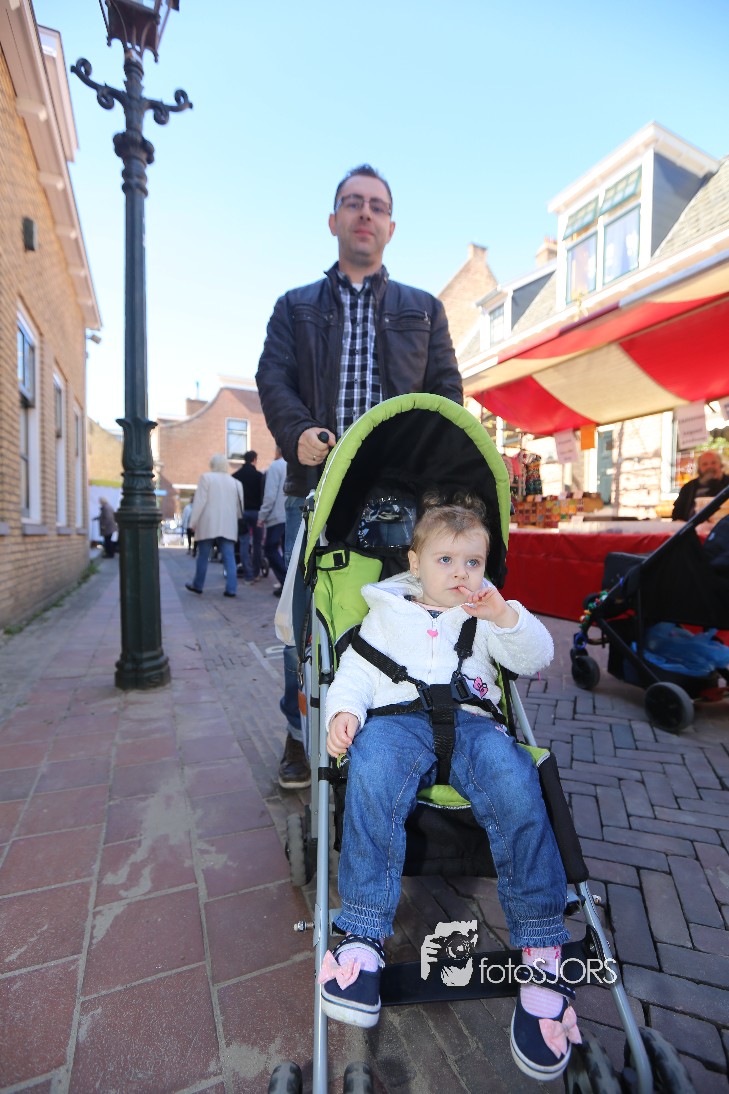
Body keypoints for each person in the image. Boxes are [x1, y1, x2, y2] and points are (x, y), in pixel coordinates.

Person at [319, 494, 580, 1082]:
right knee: (371, 771)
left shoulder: (485, 615)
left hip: (473, 725)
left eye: (473, 562)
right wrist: (345, 712)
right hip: (396, 722)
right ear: (415, 562)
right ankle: (362, 934)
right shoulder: (385, 615)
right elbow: (355, 672)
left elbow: (536, 657)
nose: (461, 574)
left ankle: (541, 947)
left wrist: (505, 617)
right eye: (445, 560)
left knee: (517, 783)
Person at [256, 162, 463, 789]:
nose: (365, 213)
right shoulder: (294, 307)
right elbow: (273, 378)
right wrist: (297, 433)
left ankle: (397, 726)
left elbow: (447, 393)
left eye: (377, 205)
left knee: (404, 614)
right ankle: (301, 735)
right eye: (353, 202)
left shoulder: (424, 310)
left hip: (402, 500)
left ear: (391, 226)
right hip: (316, 491)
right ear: (334, 220)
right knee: (306, 623)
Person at [185, 455, 244, 598]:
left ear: (212, 465)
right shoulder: (236, 483)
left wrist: (193, 522)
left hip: (208, 523)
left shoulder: (206, 478)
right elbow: (239, 507)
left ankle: (198, 585)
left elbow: (199, 502)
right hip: (228, 524)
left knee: (203, 555)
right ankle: (231, 589)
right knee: (229, 557)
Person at [257, 447, 288, 597]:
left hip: (277, 516)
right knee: (288, 551)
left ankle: (285, 583)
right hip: (292, 514)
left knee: (270, 548)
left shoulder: (276, 466)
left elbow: (270, 494)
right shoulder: (295, 465)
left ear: (277, 451)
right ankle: (289, 584)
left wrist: (262, 516)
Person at [232, 451, 264, 584]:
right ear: (254, 459)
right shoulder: (259, 476)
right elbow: (263, 495)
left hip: (242, 513)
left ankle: (248, 574)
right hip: (257, 513)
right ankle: (256, 572)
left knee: (244, 543)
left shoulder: (235, 476)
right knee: (257, 543)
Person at [672, 449, 729, 521]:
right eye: (705, 464)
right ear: (699, 468)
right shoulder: (689, 487)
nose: (710, 467)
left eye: (713, 463)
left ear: (721, 464)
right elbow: (677, 514)